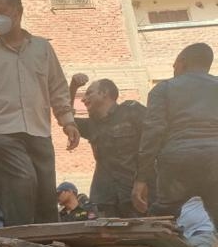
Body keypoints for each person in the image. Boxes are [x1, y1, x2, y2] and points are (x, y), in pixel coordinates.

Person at [0, 0, 78, 226]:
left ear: (19, 12)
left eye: (2, 13)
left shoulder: (42, 48)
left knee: (46, 193)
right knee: (22, 181)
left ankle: (48, 246)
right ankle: (19, 241)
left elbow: (57, 87)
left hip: (39, 131)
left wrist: (68, 121)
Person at [134, 43, 218, 226]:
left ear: (182, 61)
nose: (174, 70)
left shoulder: (163, 89)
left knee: (164, 220)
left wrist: (141, 179)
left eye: (174, 66)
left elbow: (152, 134)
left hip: (177, 161)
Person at [68, 74, 146, 218]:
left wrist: (143, 181)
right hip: (104, 198)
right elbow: (66, 118)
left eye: (89, 93)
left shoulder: (131, 111)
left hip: (134, 193)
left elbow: (151, 144)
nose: (84, 99)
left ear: (104, 93)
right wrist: (73, 88)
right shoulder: (91, 125)